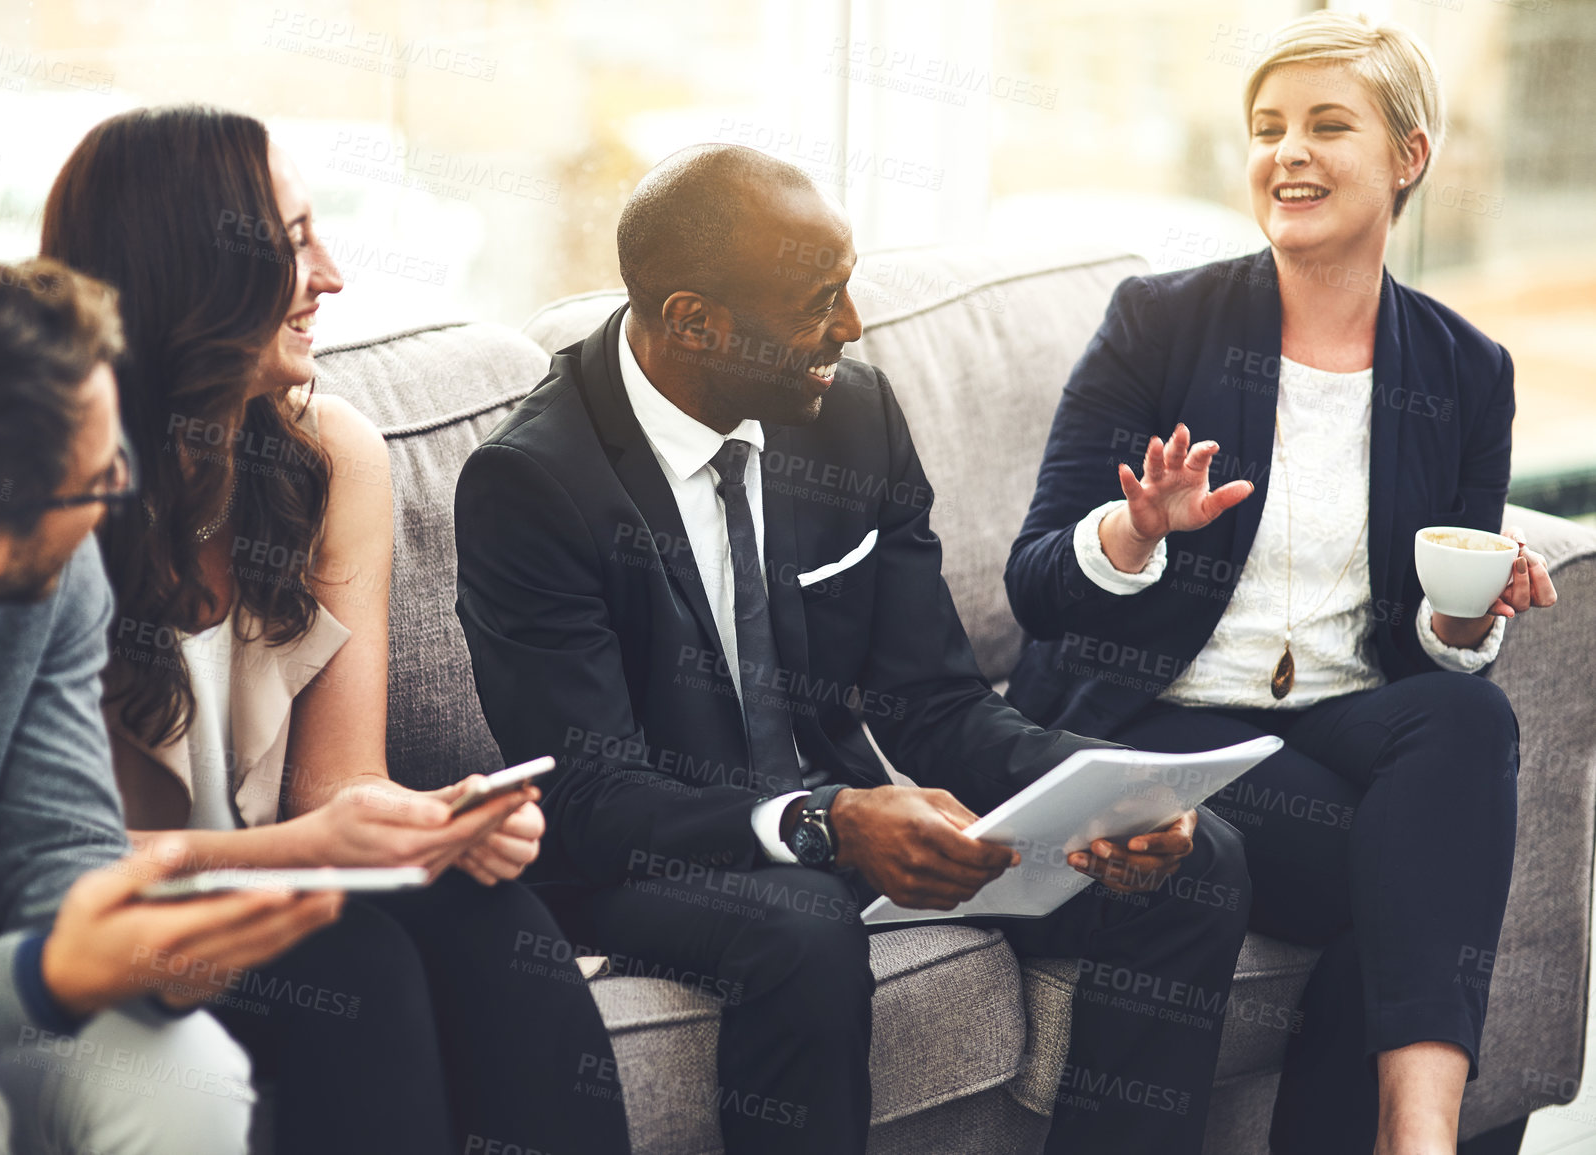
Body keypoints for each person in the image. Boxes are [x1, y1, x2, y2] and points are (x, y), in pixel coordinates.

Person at [455, 142, 1252, 1155]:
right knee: (801, 929)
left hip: (846, 824)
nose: (849, 326)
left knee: (1196, 858)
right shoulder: (532, 484)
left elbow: (935, 701)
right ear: (696, 321)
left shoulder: (851, 415)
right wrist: (828, 822)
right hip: (649, 857)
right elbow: (595, 799)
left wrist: (1114, 799)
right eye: (816, 302)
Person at [1002, 13, 1555, 1155]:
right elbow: (1036, 582)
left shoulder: (1466, 371)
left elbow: (1431, 633)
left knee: (1467, 716)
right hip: (1161, 726)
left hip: (1344, 722)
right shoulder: (1161, 324)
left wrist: (1465, 616)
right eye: (1267, 129)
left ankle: (1421, 1137)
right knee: (1410, 881)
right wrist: (1134, 531)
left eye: (1326, 125)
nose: (1287, 152)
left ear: (1409, 156)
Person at [40, 104, 632, 1155]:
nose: (334, 273)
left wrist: (433, 819)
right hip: (97, 928)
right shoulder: (47, 499)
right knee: (347, 967)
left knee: (489, 918)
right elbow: (38, 864)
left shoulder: (330, 458)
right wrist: (306, 848)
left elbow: (335, 782)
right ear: (193, 271)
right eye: (294, 241)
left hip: (267, 884)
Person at [0, 257, 343, 1155]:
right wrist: (43, 977)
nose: (121, 490)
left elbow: (60, 840)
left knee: (182, 1072)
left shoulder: (46, 563)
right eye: (97, 479)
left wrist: (152, 952)